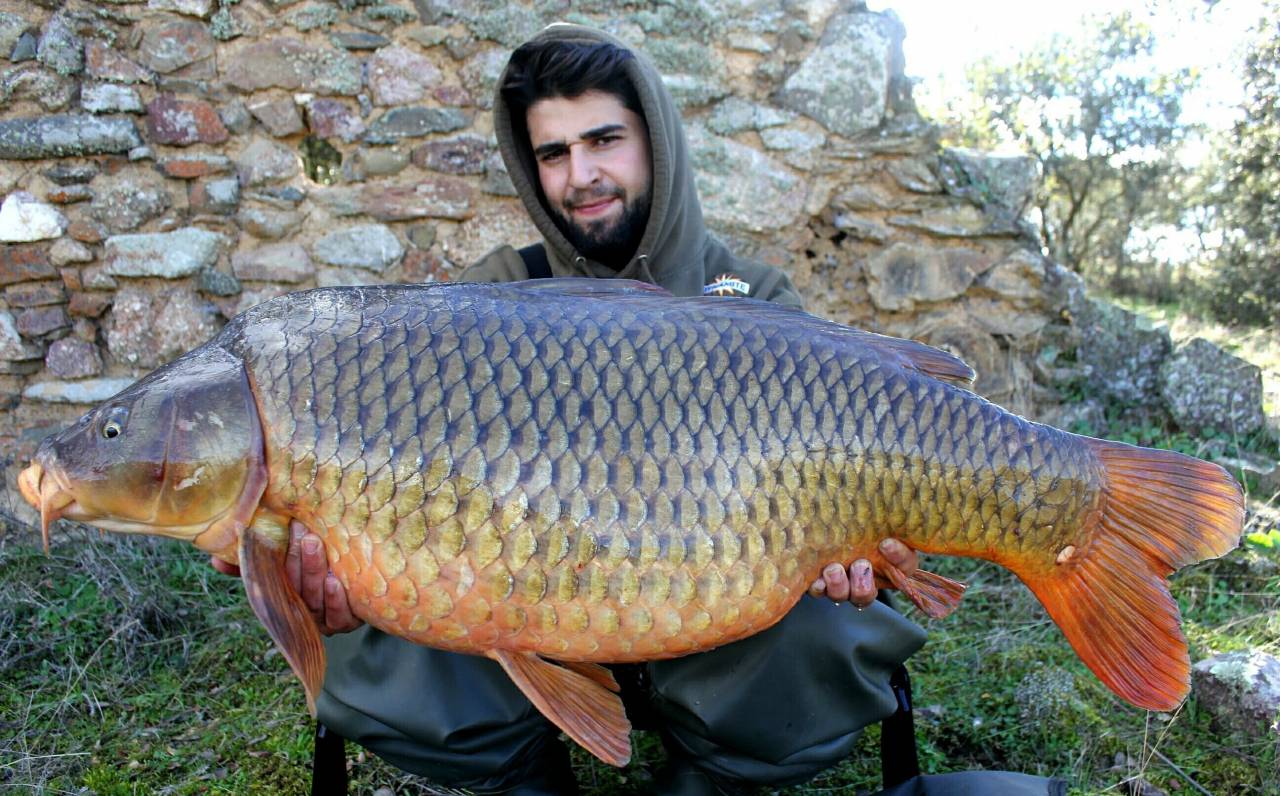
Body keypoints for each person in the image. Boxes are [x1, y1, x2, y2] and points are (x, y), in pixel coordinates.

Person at [218, 24, 930, 795]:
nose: (581, 174)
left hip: (710, 613)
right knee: (389, 621)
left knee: (825, 620)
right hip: (538, 594)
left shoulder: (751, 298)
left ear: (657, 142)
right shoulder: (488, 295)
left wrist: (861, 561)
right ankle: (521, 774)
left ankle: (718, 778)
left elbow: (857, 473)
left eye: (603, 140)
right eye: (553, 154)